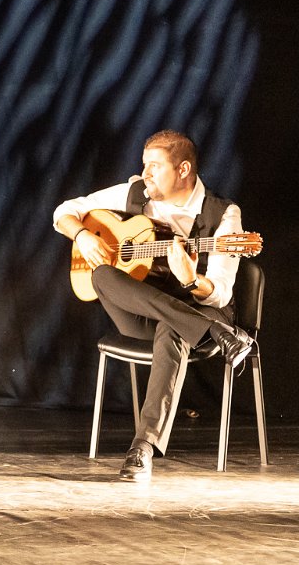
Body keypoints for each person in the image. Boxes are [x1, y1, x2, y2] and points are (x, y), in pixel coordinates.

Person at [53, 130, 255, 481]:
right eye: (144, 165)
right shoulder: (136, 193)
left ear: (183, 169)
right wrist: (83, 235)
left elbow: (221, 294)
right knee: (102, 275)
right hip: (144, 313)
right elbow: (63, 211)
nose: (144, 174)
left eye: (154, 166)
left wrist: (191, 280)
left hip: (197, 310)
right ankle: (218, 333)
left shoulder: (223, 214)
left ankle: (142, 448)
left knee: (172, 330)